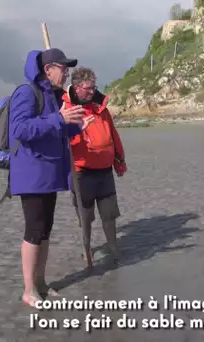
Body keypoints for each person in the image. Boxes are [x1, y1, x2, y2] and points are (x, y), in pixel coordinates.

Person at [8, 48, 91, 308]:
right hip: (31, 175)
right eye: (62, 68)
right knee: (33, 230)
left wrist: (74, 125)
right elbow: (20, 129)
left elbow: (53, 128)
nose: (66, 73)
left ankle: (41, 283)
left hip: (50, 174)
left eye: (67, 68)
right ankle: (28, 289)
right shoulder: (26, 92)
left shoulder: (53, 96)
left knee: (45, 230)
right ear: (47, 69)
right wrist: (58, 118)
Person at [61, 67, 127, 261]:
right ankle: (87, 249)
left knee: (109, 214)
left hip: (105, 171)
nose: (91, 92)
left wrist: (119, 161)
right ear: (76, 87)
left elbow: (113, 136)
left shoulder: (101, 108)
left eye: (93, 87)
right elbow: (59, 136)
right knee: (85, 216)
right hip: (81, 171)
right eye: (87, 88)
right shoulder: (66, 108)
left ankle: (113, 248)